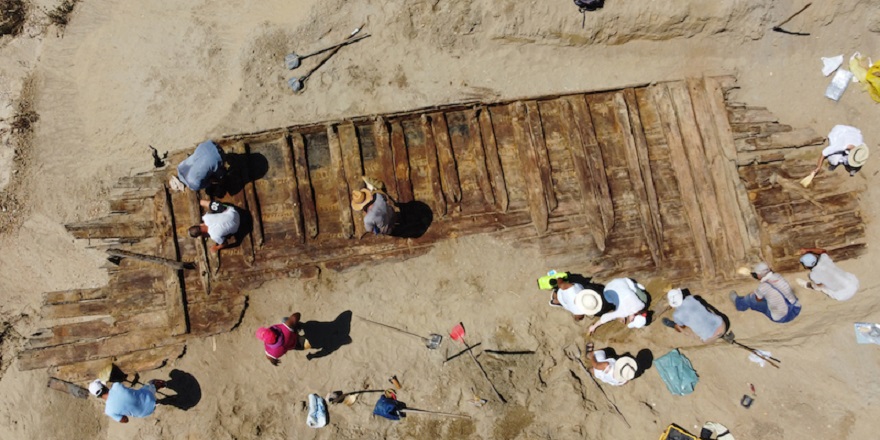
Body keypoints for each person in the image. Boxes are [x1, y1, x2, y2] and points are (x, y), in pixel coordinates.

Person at [730, 262, 801, 323]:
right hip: (796, 308)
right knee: (774, 294)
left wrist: (755, 294)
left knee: (751, 298)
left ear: (758, 275)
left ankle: (739, 304)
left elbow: (758, 300)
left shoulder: (763, 286)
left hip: (781, 317)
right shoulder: (778, 276)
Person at [662, 288, 728, 343]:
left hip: (710, 338)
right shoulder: (691, 298)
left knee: (681, 328)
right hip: (723, 325)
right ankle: (720, 334)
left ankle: (673, 325)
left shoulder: (676, 315)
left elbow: (682, 326)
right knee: (708, 311)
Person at [89, 378, 166, 423]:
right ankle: (161, 384)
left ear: (98, 396)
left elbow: (125, 420)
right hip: (150, 398)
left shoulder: (109, 411)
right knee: (150, 386)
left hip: (145, 413)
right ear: (104, 386)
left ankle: (158, 402)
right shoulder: (117, 386)